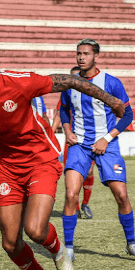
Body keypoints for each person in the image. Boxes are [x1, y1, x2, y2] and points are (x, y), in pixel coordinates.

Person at [0, 43, 126, 270]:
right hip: (8, 167)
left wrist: (109, 100)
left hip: (41, 158)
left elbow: (68, 80)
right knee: (10, 243)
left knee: (35, 229)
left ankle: (58, 252)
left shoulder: (21, 82)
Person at [60, 39, 135, 262]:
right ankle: (68, 248)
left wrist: (107, 139)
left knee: (121, 195)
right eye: (78, 53)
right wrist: (68, 131)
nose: (81, 57)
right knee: (71, 194)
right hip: (79, 145)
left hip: (106, 145)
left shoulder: (111, 82)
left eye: (86, 53)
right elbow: (63, 109)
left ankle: (131, 243)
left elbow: (127, 114)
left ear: (96, 56)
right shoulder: (70, 82)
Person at [59, 66, 95, 222]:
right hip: (72, 141)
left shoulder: (89, 97)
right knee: (72, 175)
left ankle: (85, 203)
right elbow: (58, 114)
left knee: (88, 172)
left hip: (88, 140)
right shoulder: (67, 96)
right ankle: (76, 207)